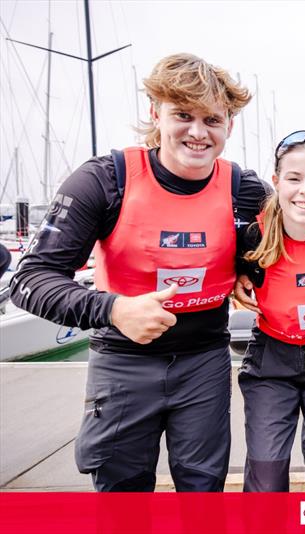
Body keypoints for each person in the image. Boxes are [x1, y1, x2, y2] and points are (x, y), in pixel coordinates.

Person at [10, 53, 268, 492]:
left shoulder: (245, 189)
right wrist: (114, 310)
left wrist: (247, 270)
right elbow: (29, 279)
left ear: (229, 123)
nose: (198, 132)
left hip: (203, 361)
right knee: (122, 494)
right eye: (183, 115)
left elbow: (268, 250)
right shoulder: (103, 180)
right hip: (124, 361)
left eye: (212, 119)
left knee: (203, 491)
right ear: (156, 113)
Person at [236, 131, 305, 492]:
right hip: (272, 360)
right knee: (267, 475)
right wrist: (233, 277)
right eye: (294, 179)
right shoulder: (254, 235)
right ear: (276, 182)